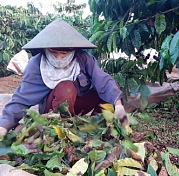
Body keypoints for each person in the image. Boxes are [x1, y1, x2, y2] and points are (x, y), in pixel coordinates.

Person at [0, 18, 128, 136]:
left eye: (64, 53)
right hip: (52, 109)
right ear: (46, 49)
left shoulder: (83, 59)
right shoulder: (36, 65)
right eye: (53, 52)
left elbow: (103, 81)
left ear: (72, 50)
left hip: (78, 105)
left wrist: (118, 105)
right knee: (66, 87)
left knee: (112, 87)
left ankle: (95, 126)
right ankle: (62, 129)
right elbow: (21, 98)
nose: (59, 57)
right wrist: (4, 126)